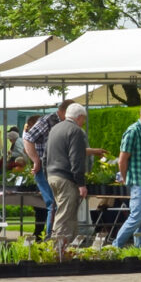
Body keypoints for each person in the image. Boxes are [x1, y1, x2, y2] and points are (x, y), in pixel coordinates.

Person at [23, 100, 75, 239]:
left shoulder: (65, 123)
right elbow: (28, 138)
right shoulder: (48, 120)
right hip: (45, 169)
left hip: (57, 170)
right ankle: (50, 239)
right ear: (65, 111)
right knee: (53, 204)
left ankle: (57, 238)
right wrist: (36, 160)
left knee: (58, 204)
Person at [112, 102, 141, 248]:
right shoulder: (133, 131)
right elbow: (122, 159)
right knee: (137, 216)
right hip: (139, 182)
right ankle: (116, 245)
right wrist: (126, 179)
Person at [46, 103, 88, 243]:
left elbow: (45, 155)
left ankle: (69, 250)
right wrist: (81, 184)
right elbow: (76, 159)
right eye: (84, 119)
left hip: (52, 175)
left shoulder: (55, 129)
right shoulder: (75, 131)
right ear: (79, 117)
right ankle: (56, 252)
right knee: (65, 217)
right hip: (66, 178)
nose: (83, 123)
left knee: (67, 215)